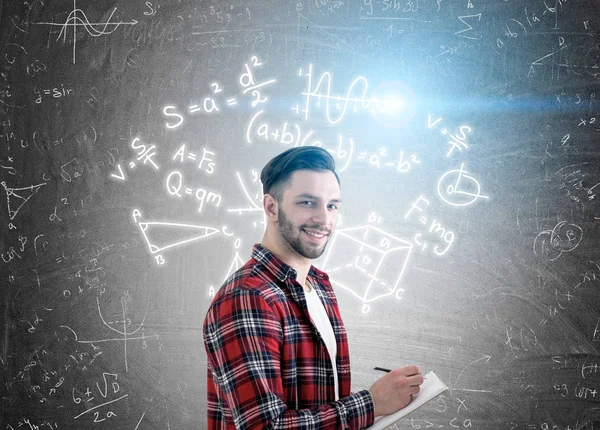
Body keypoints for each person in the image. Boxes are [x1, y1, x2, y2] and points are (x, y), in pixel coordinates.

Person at [203, 146, 423, 429]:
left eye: (332, 205)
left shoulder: (319, 286)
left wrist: (377, 403)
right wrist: (373, 403)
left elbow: (325, 407)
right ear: (271, 207)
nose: (324, 219)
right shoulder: (248, 296)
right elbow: (265, 426)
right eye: (307, 203)